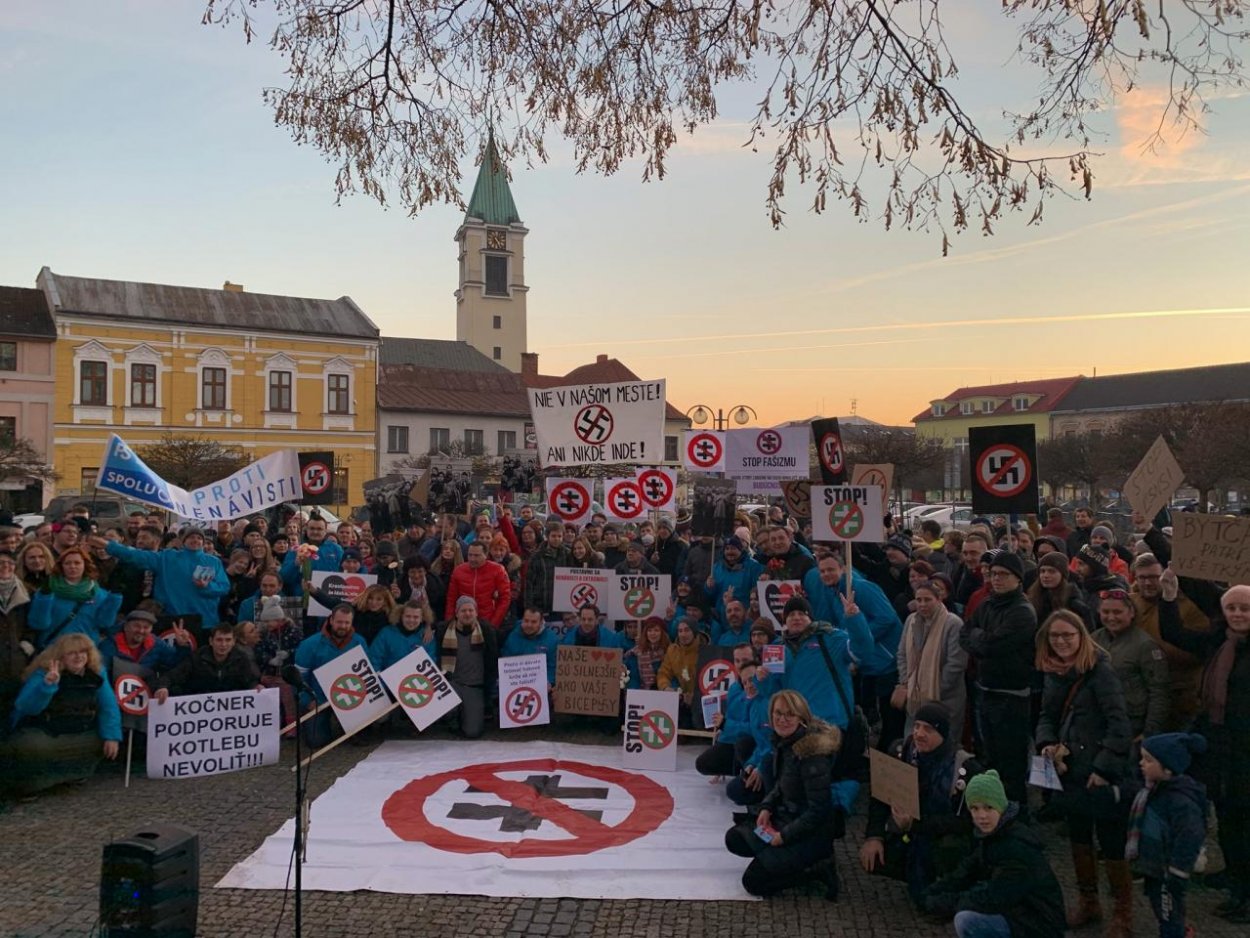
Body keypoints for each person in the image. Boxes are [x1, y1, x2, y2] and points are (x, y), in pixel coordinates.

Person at [1034, 609, 1134, 937]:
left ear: (1082, 637)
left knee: (1111, 841)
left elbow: (1119, 723)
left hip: (1100, 771)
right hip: (1069, 769)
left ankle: (1123, 913)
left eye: (1068, 635)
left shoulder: (1099, 672)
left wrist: (1104, 768)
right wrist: (1047, 742)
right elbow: (1047, 714)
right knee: (1078, 836)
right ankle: (1089, 901)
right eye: (1055, 636)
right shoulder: (1053, 672)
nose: (1061, 641)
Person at [1157, 573, 1250, 923]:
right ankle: (1234, 873)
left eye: (1245, 609)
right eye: (1232, 608)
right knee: (1226, 816)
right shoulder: (1219, 641)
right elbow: (1175, 635)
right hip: (1220, 742)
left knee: (1244, 819)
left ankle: (1245, 893)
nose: (1238, 614)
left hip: (1246, 747)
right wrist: (1168, 599)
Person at [861, 702, 982, 903]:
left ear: (943, 733)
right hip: (911, 833)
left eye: (928, 729)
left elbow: (965, 822)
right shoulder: (902, 752)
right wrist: (874, 836)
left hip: (944, 838)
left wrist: (916, 824)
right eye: (916, 726)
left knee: (950, 849)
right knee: (875, 860)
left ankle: (948, 883)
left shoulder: (966, 768)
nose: (919, 734)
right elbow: (880, 797)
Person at [724, 689, 840, 899]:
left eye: (789, 714)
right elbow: (781, 784)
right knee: (734, 839)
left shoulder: (812, 754)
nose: (782, 719)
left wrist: (784, 837)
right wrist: (766, 807)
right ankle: (775, 859)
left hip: (810, 832)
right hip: (787, 817)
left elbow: (819, 811)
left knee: (753, 883)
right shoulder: (785, 742)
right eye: (778, 713)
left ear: (801, 718)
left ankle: (815, 871)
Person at [922, 769, 1065, 938]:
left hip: (1039, 925)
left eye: (988, 808)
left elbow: (995, 897)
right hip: (1022, 914)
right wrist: (932, 892)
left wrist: (946, 902)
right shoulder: (995, 835)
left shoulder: (1015, 847)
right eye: (975, 808)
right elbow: (966, 871)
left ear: (1000, 806)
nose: (982, 816)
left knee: (967, 920)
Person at [959, 549, 1037, 808]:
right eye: (993, 574)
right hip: (986, 690)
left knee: (1011, 764)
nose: (997, 579)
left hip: (1011, 697)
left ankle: (1016, 812)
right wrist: (980, 638)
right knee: (989, 758)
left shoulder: (1022, 611)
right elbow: (965, 634)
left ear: (1018, 579)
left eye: (1003, 574)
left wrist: (979, 638)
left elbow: (991, 645)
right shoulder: (987, 604)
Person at [0, 633, 122, 797]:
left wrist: (112, 736)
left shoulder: (96, 674)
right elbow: (25, 707)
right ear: (61, 657)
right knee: (31, 746)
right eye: (72, 653)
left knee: (102, 740)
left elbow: (109, 706)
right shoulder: (43, 673)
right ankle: (29, 785)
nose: (78, 657)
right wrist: (48, 686)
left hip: (81, 731)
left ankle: (75, 775)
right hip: (45, 732)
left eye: (83, 652)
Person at [1127, 733, 1208, 938]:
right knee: (1164, 911)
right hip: (1156, 868)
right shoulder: (1153, 790)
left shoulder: (1180, 802)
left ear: (1168, 768)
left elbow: (1190, 836)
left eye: (1148, 760)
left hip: (1168, 872)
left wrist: (1178, 872)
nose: (1141, 763)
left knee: (1168, 914)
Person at [762, 594, 873, 733]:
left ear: (811, 618)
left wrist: (855, 619)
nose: (796, 617)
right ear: (785, 621)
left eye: (802, 613)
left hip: (830, 724)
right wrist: (762, 679)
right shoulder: (776, 648)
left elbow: (863, 652)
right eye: (791, 614)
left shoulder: (831, 638)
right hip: (795, 725)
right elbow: (772, 692)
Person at [1129, 553, 1210, 731]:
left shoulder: (1191, 606)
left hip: (1180, 694)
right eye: (1142, 578)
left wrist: (1153, 652)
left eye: (1153, 577)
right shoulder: (1131, 603)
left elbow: (1199, 653)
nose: (1148, 583)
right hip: (1141, 694)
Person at [97, 528, 230, 631]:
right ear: (183, 541)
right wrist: (109, 546)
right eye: (191, 537)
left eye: (199, 538)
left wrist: (207, 587)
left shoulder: (213, 562)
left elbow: (224, 587)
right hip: (172, 618)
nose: (195, 540)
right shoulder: (167, 557)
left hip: (205, 621)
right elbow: (135, 555)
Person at [1091, 588, 1170, 740]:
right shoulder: (1094, 639)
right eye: (1106, 612)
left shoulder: (1145, 645)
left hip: (1131, 723)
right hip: (1098, 718)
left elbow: (1159, 691)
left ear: (1131, 613)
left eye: (1117, 612)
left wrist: (1150, 731)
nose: (1111, 617)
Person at [893, 581, 967, 737]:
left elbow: (955, 664)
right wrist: (907, 682)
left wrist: (936, 690)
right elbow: (901, 654)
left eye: (927, 600)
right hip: (914, 697)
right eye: (919, 600)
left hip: (945, 699)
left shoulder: (953, 623)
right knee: (912, 742)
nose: (922, 604)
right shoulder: (911, 620)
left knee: (942, 743)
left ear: (938, 600)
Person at [293, 603, 369, 747]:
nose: (343, 626)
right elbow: (298, 678)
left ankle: (347, 725)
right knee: (316, 742)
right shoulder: (309, 645)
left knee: (362, 736)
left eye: (347, 622)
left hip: (348, 695)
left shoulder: (359, 642)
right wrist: (307, 699)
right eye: (339, 622)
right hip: (319, 698)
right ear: (331, 620)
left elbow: (366, 673)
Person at [429, 596, 499, 739]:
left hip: (475, 686)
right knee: (447, 710)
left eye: (470, 610)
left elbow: (494, 657)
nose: (467, 614)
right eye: (463, 610)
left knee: (472, 732)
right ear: (456, 613)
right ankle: (452, 718)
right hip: (451, 683)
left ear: (476, 612)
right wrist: (427, 628)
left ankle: (465, 714)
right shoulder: (443, 629)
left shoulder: (486, 630)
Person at [28, 547, 122, 650]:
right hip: (55, 649)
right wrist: (44, 597)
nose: (72, 566)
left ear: (85, 565)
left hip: (85, 651)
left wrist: (114, 598)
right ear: (61, 566)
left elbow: (104, 623)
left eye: (77, 563)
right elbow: (38, 624)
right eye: (67, 563)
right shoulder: (49, 590)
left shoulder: (98, 594)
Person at [154, 623, 261, 701]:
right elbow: (172, 676)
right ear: (211, 641)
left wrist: (256, 687)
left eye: (228, 640)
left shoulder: (241, 658)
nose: (223, 644)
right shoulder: (197, 657)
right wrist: (162, 687)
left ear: (233, 642)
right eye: (219, 640)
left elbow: (250, 680)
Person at [98, 609, 192, 674]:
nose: (141, 631)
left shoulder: (156, 644)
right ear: (126, 627)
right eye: (137, 626)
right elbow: (101, 672)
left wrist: (182, 646)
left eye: (146, 627)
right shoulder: (108, 646)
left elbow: (174, 662)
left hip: (145, 691)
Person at [444, 542, 512, 630]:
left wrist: (493, 624)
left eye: (476, 556)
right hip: (463, 621)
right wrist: (449, 622)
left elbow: (505, 599)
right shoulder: (458, 571)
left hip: (487, 620)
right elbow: (451, 599)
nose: (472, 559)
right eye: (470, 555)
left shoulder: (498, 570)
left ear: (485, 555)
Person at [656, 618, 705, 725]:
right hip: (681, 697)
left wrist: (695, 696)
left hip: (702, 700)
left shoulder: (707, 649)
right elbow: (663, 673)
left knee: (698, 723)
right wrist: (665, 687)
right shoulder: (672, 650)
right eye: (680, 631)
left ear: (695, 632)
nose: (683, 634)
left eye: (687, 630)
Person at [1026, 551, 1093, 628]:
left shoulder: (1074, 603)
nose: (1045, 575)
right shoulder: (1034, 598)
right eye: (1042, 571)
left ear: (1062, 575)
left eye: (1052, 571)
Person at [500, 606, 560, 684]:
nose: (529, 625)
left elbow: (553, 666)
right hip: (516, 683)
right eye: (526, 621)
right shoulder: (513, 635)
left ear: (541, 622)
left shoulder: (552, 640)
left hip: (540, 685)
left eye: (534, 622)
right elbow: (505, 661)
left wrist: (549, 681)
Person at [524, 522, 573, 615]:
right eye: (553, 536)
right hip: (541, 606)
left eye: (559, 536)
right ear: (547, 536)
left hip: (562, 606)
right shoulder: (536, 556)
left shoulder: (568, 554)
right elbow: (529, 583)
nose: (557, 539)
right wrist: (528, 607)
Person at [624, 617, 669, 691]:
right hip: (642, 692)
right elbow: (632, 676)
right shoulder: (637, 651)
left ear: (662, 633)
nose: (653, 633)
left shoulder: (669, 651)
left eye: (656, 630)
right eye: (649, 630)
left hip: (663, 692)